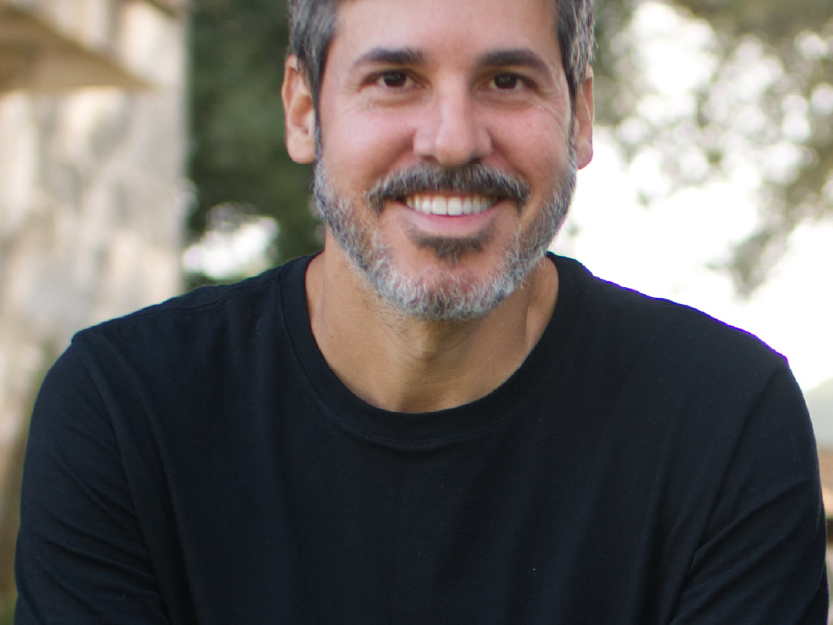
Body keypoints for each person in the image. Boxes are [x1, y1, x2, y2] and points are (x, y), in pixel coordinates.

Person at [14, 0, 828, 622]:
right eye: (394, 79)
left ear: (579, 117)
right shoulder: (125, 411)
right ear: (303, 111)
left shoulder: (722, 420)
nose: (451, 140)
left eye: (506, 81)